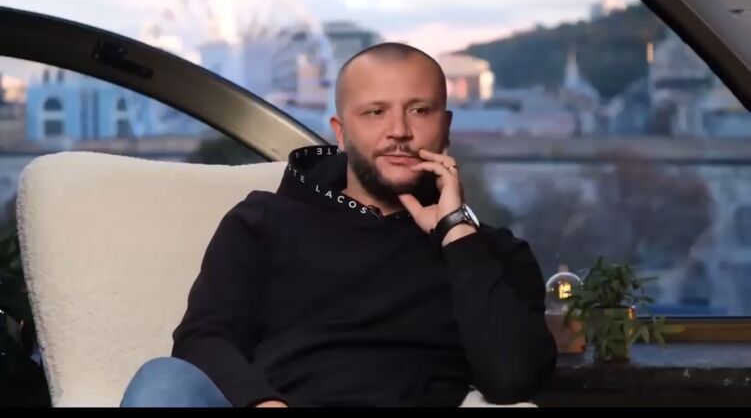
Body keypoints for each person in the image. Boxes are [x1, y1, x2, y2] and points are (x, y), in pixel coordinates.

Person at [120, 42, 557, 408]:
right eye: (375, 112)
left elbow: (513, 378)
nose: (399, 131)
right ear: (341, 132)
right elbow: (204, 339)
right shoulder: (263, 222)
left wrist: (456, 232)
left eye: (419, 110)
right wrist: (262, 404)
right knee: (163, 381)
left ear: (444, 128)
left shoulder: (489, 254)